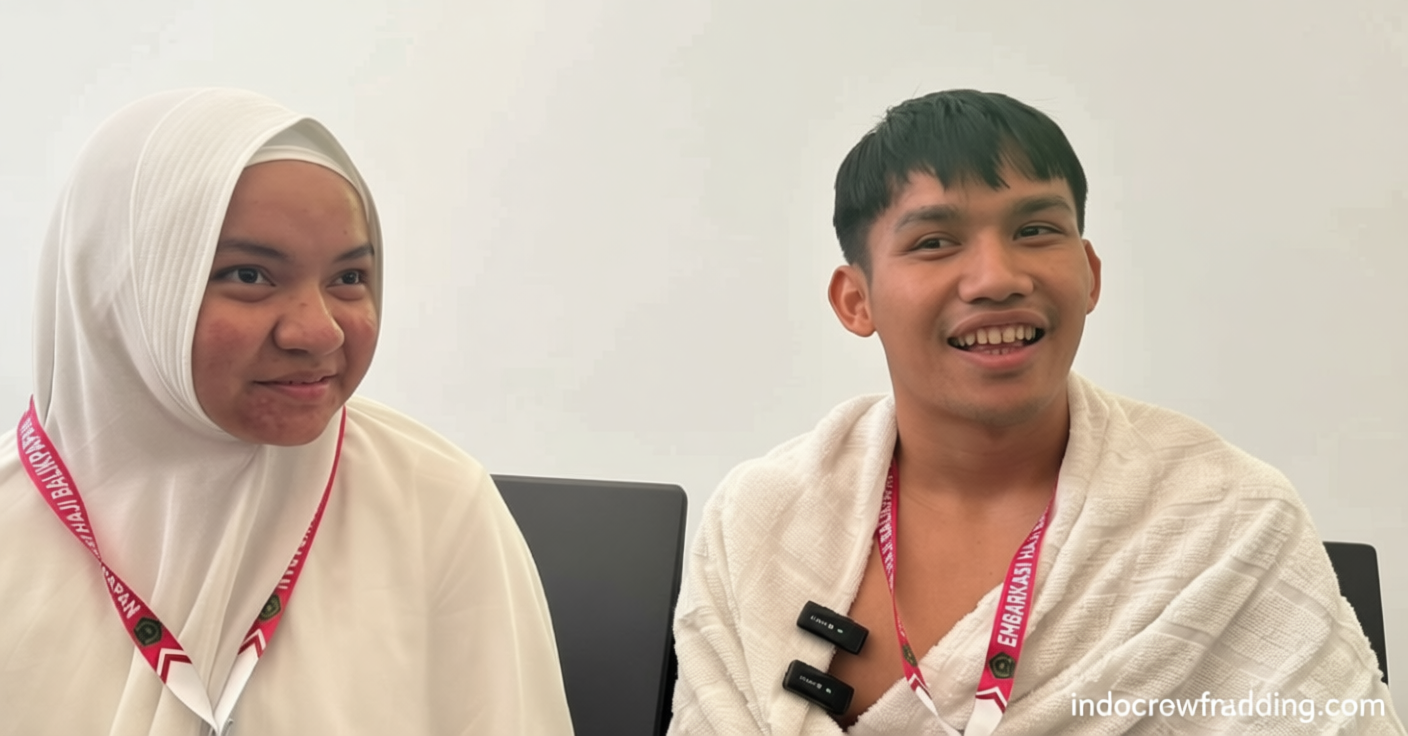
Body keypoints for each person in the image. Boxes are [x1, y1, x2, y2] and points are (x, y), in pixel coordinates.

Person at [668, 89, 1403, 734]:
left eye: (1035, 231)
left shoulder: (1228, 519)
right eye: (934, 242)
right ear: (856, 301)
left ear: (1090, 274)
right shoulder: (761, 521)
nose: (997, 278)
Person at [0, 88, 573, 735]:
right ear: (118, 289)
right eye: (249, 275)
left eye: (348, 278)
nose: (320, 331)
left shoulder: (432, 503)